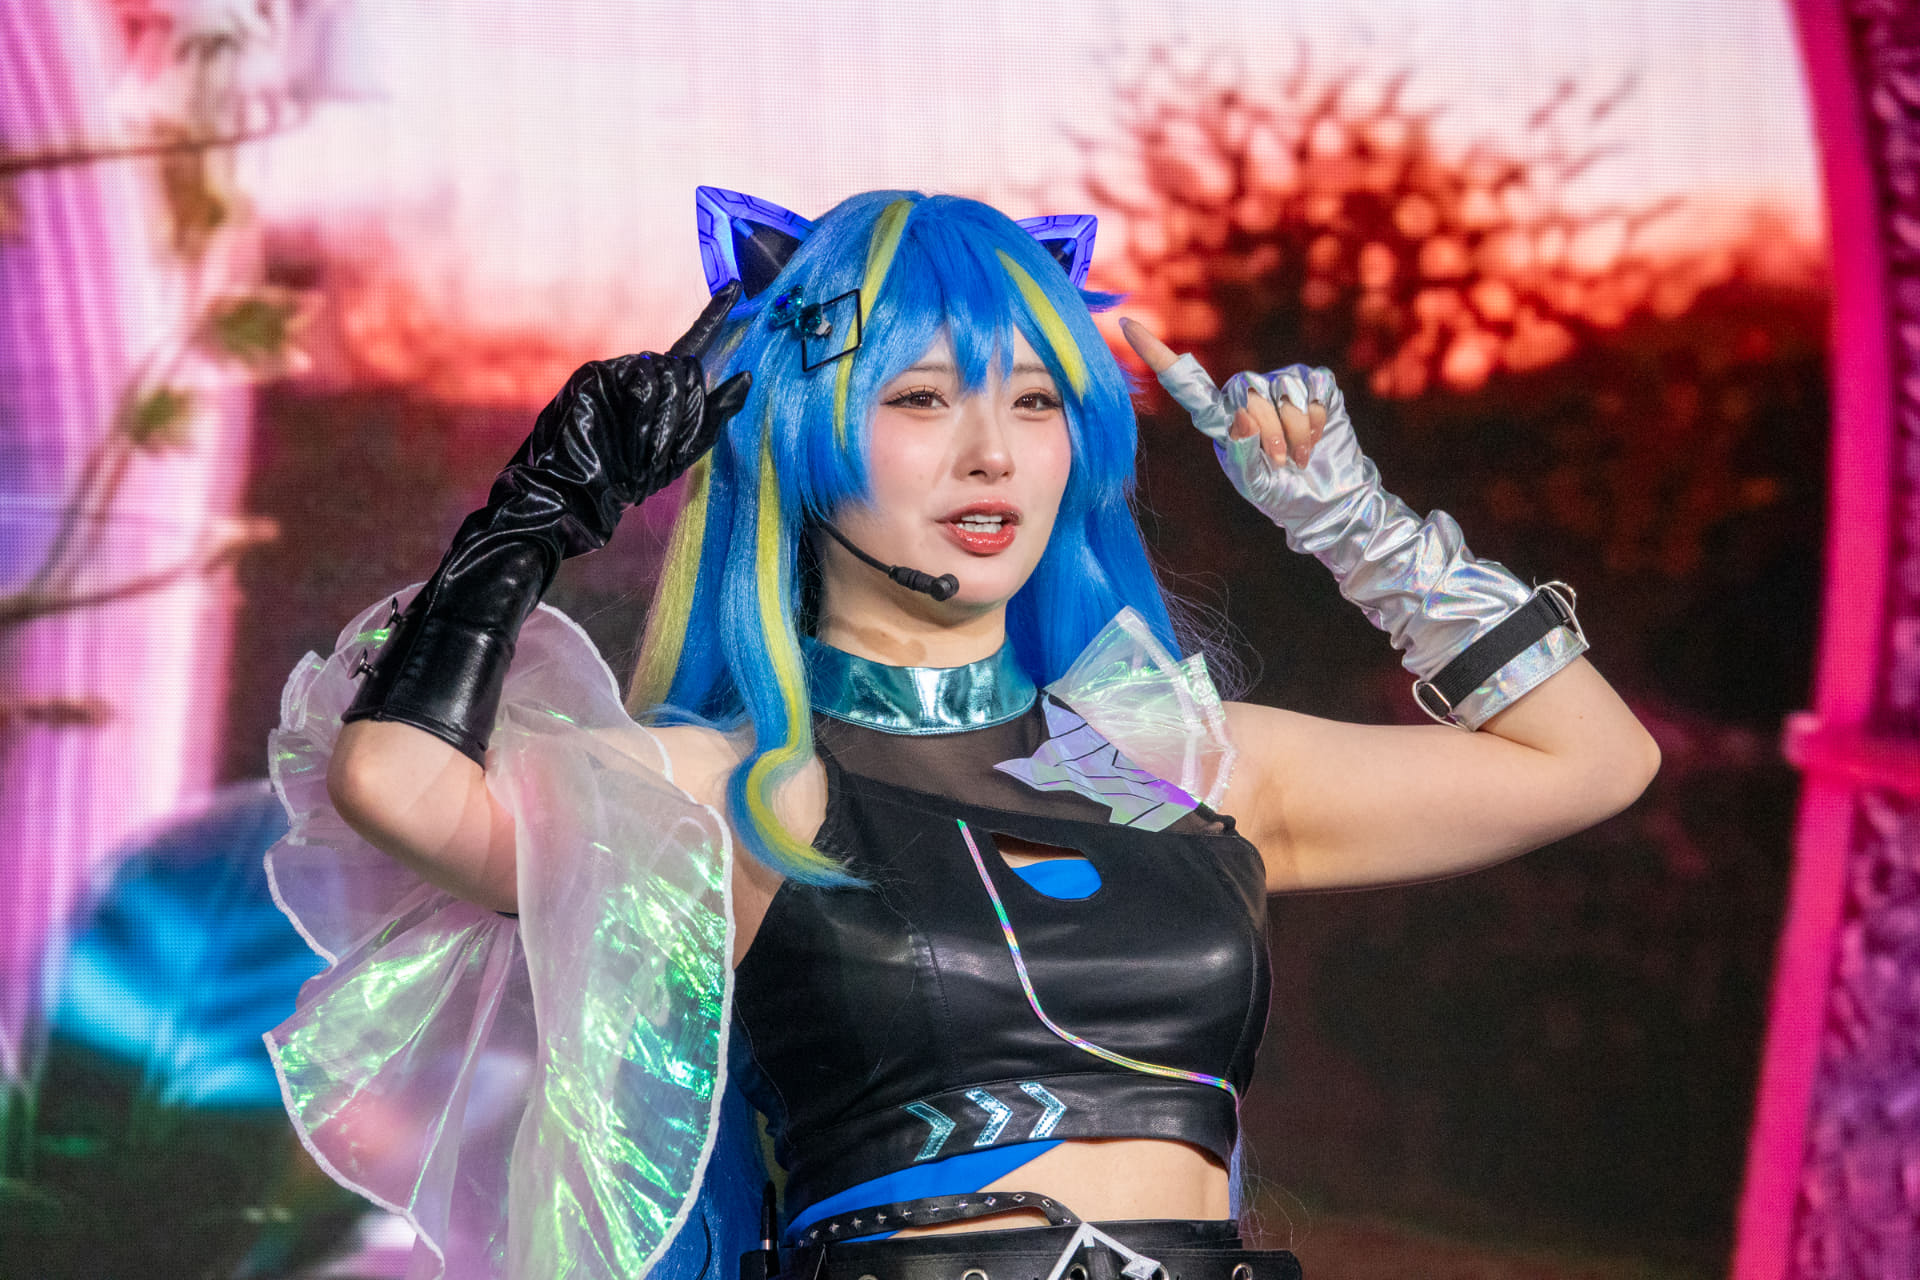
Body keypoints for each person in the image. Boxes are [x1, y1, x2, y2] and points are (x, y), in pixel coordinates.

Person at [263, 188, 1660, 1280]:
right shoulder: (736, 792)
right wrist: (541, 508)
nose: (991, 450)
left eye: (1036, 400)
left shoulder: (1181, 764)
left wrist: (1357, 530)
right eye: (921, 397)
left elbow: (1593, 762)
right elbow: (397, 781)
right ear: (798, 436)